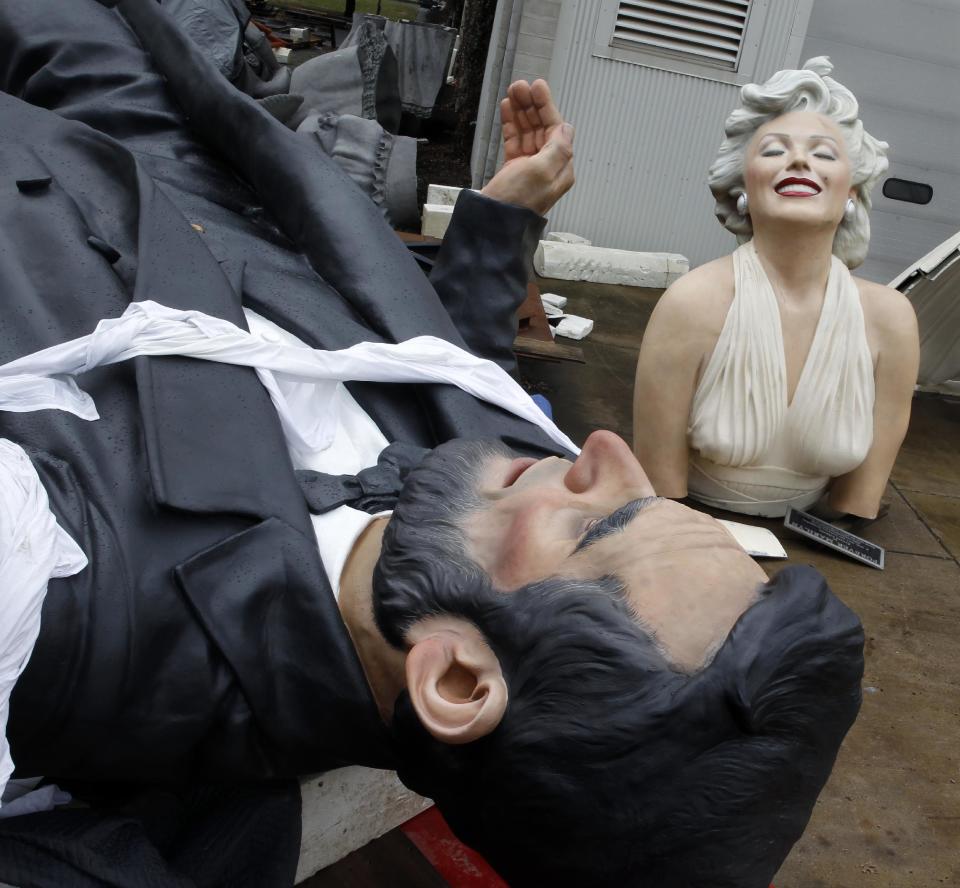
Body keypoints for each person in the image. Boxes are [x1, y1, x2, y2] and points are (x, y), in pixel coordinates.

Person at [0, 5, 863, 886]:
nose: (601, 449)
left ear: (455, 680)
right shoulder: (479, 504)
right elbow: (462, 381)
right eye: (651, 499)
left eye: (599, 526)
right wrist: (499, 223)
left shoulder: (52, 572)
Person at [633, 58, 920, 519]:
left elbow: (856, 509)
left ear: (852, 191)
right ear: (743, 182)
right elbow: (658, 493)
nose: (800, 160)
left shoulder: (890, 320)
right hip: (691, 535)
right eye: (773, 150)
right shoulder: (692, 303)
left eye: (824, 153)